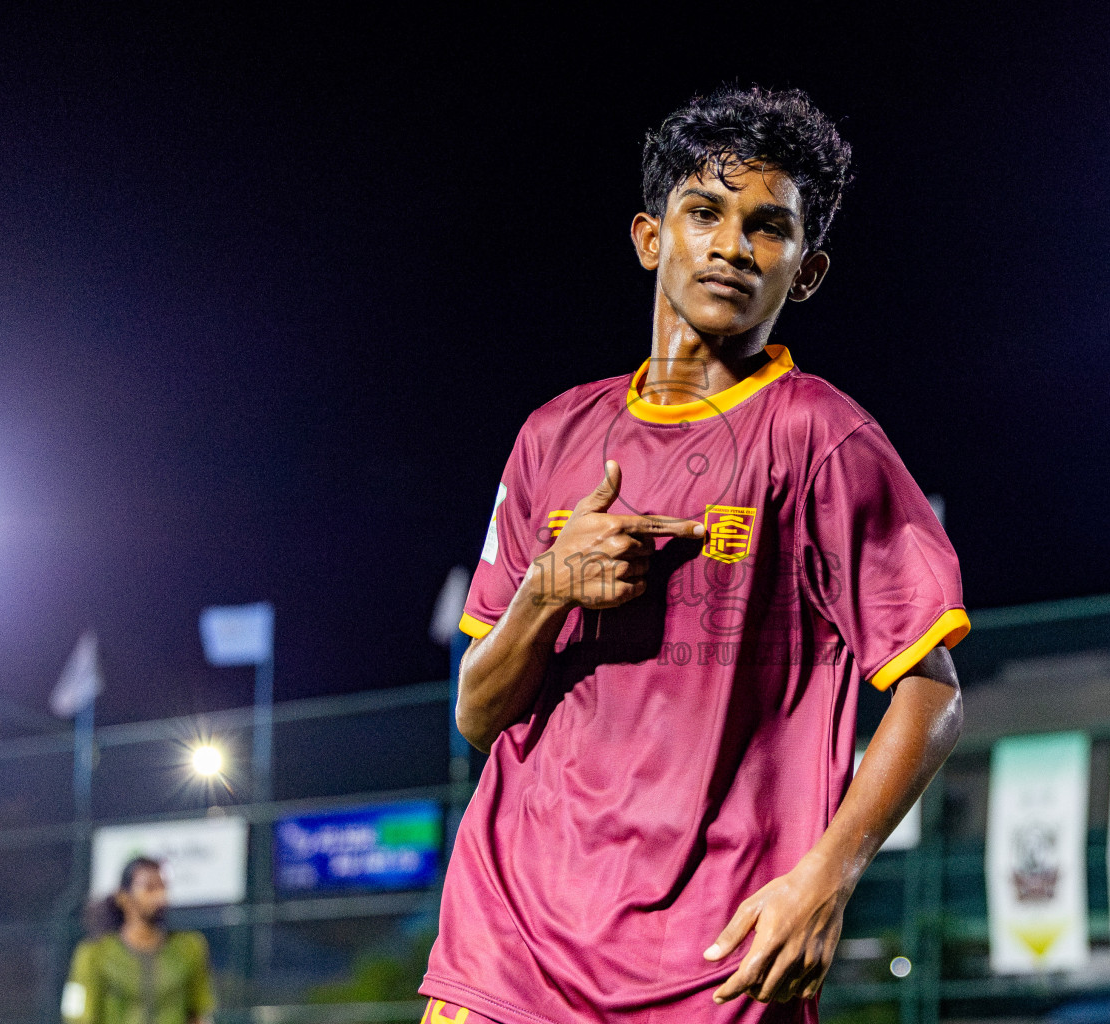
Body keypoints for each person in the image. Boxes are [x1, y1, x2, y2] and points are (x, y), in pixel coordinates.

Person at [420, 85, 968, 1023]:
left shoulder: (822, 437)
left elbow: (935, 690)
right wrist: (549, 586)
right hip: (506, 951)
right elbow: (479, 713)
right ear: (648, 237)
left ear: (807, 270)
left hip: (711, 970)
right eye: (703, 213)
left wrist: (827, 880)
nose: (729, 246)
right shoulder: (552, 437)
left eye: (768, 228)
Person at [61, 857, 216, 1024]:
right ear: (123, 897)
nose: (160, 896)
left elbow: (199, 1014)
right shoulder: (94, 953)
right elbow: (77, 1017)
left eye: (163, 887)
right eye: (149, 888)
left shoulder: (189, 947)